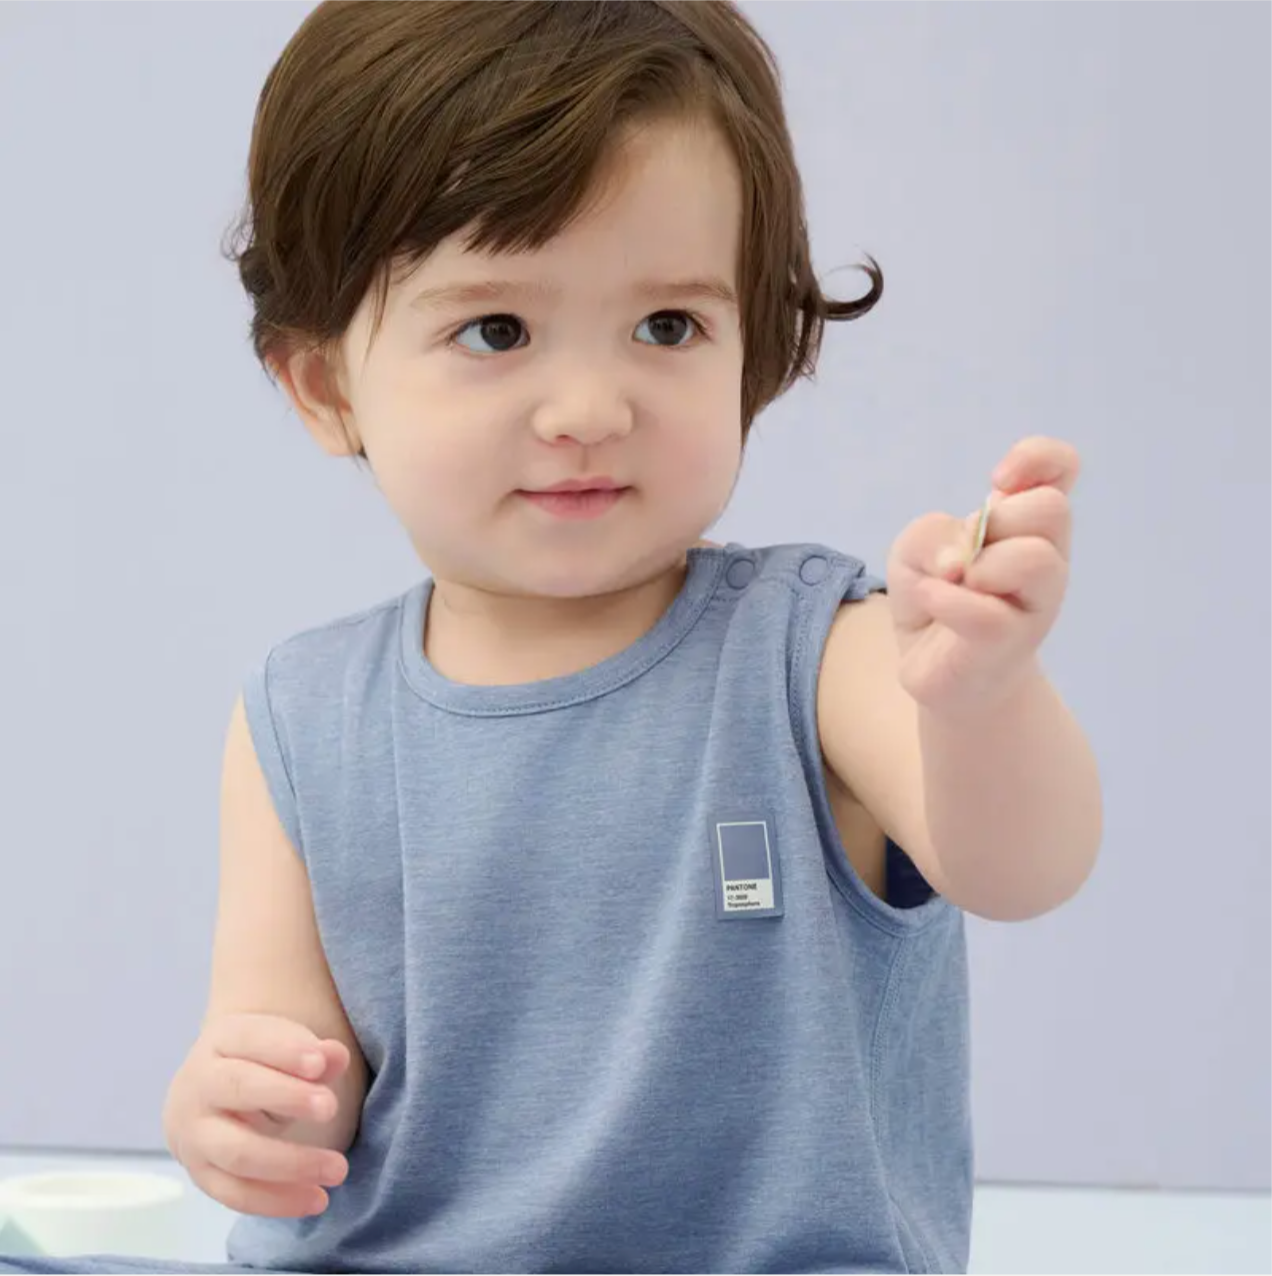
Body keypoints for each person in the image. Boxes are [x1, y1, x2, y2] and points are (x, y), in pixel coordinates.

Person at [1, 2, 1102, 1273]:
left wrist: (980, 697)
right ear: (327, 385)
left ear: (755, 342)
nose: (587, 408)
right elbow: (294, 1060)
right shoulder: (303, 715)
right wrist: (247, 1109)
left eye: (668, 326)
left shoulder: (819, 654)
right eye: (497, 331)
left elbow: (1023, 868)